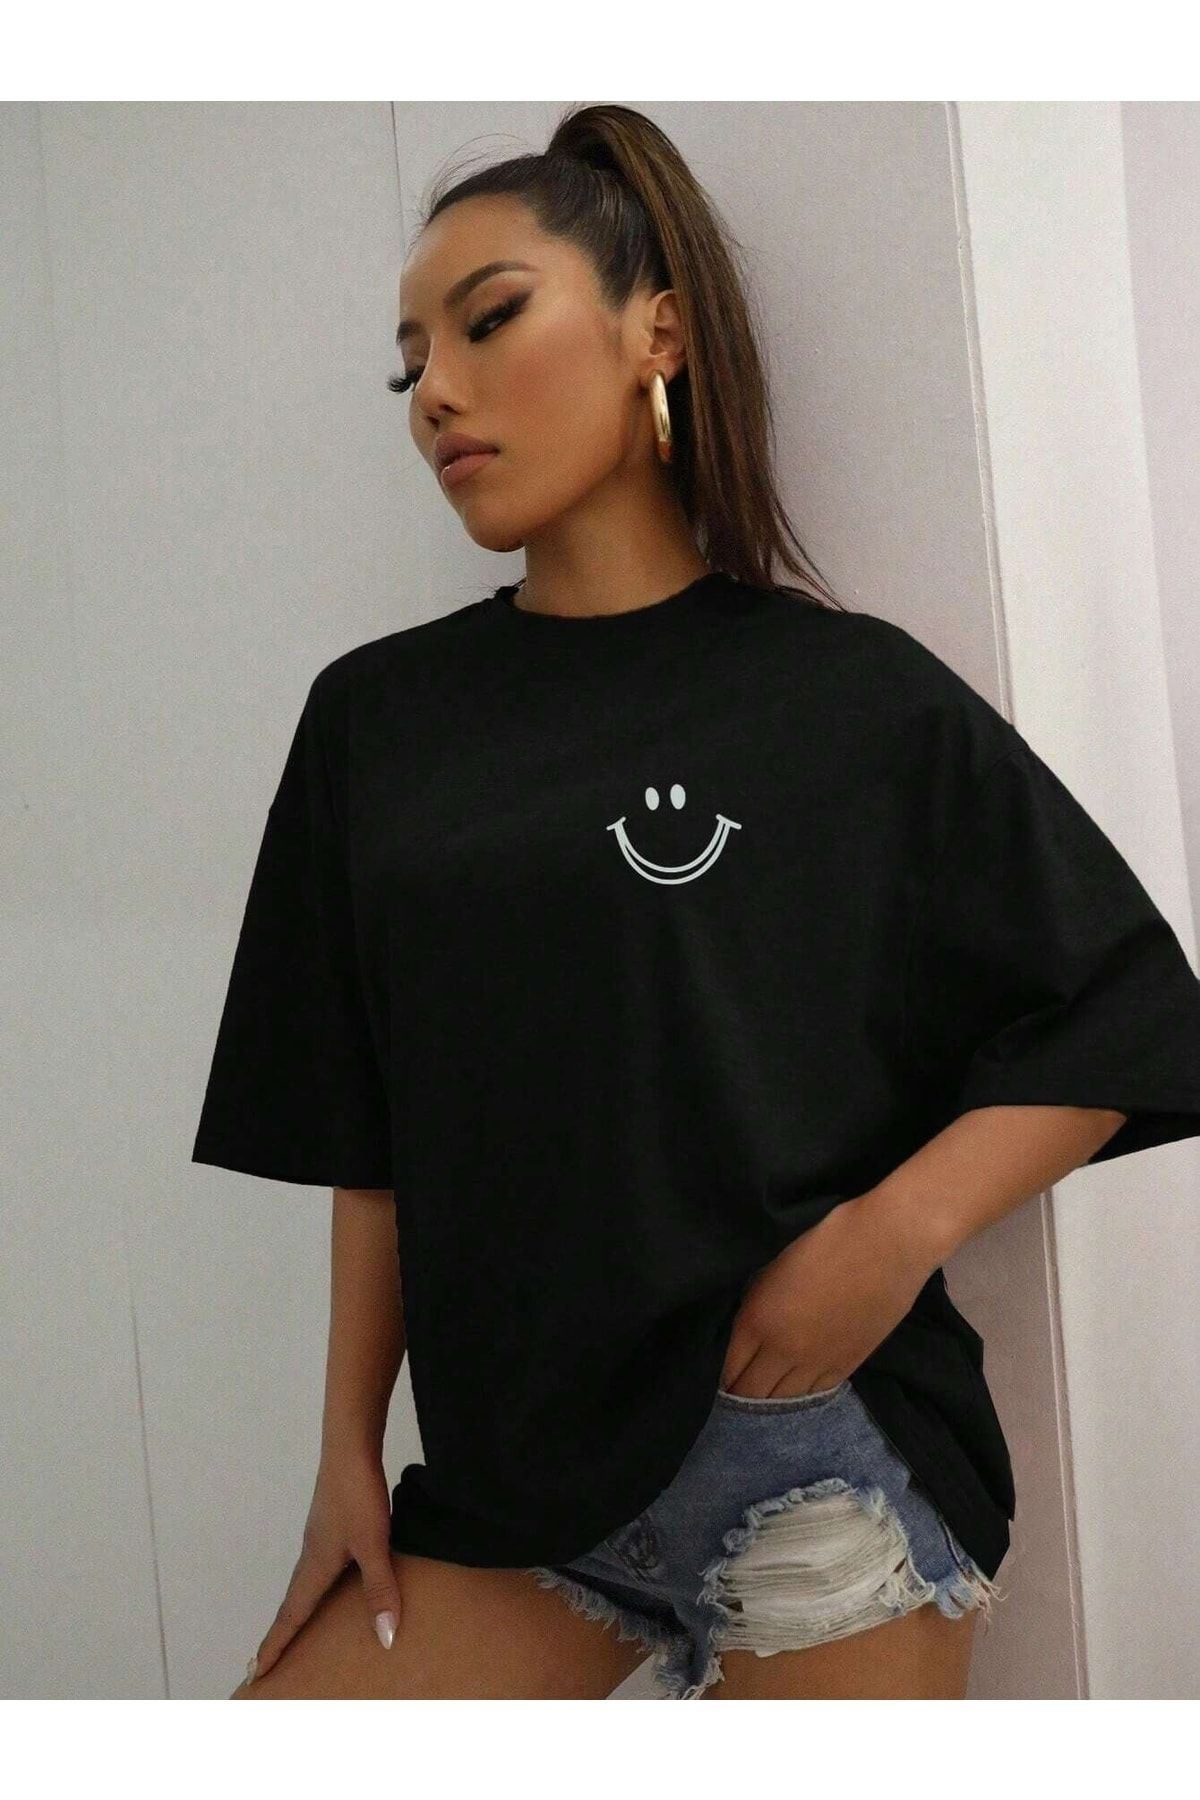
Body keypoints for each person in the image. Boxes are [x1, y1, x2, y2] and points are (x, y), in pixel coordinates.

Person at [193, 103, 1200, 1700]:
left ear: (654, 331)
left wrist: (890, 1237)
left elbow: (1132, 1013)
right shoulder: (375, 722)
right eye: (410, 363)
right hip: (513, 1488)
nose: (436, 390)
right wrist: (343, 1456)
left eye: (489, 320)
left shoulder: (845, 697)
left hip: (816, 1459)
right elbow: (363, 1123)